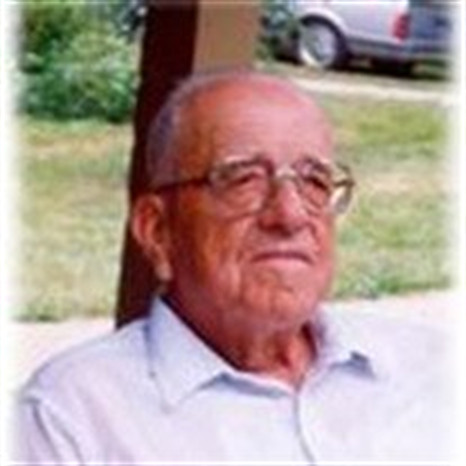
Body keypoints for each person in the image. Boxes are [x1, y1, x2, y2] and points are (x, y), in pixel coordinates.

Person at [15, 69, 455, 464]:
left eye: (314, 181)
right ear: (158, 230)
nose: (290, 215)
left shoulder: (432, 367)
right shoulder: (71, 419)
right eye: (243, 179)